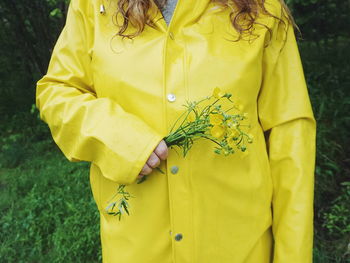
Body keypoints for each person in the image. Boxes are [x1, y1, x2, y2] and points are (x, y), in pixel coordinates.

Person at [35, 0, 317, 262]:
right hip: (137, 248)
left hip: (240, 248)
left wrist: (293, 255)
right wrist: (120, 139)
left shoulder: (262, 8)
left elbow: (290, 135)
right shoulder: (94, 6)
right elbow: (58, 92)